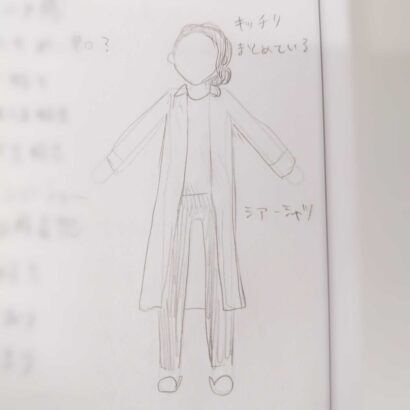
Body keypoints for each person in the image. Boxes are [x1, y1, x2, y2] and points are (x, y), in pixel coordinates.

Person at [94, 22, 300, 395]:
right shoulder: (171, 102)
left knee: (219, 281)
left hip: (215, 202)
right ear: (173, 57)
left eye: (203, 53)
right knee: (170, 281)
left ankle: (221, 365)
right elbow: (139, 131)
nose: (193, 60)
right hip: (175, 204)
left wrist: (286, 165)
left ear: (218, 62)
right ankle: (169, 367)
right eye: (186, 52)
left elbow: (255, 130)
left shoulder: (224, 102)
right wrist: (110, 164)